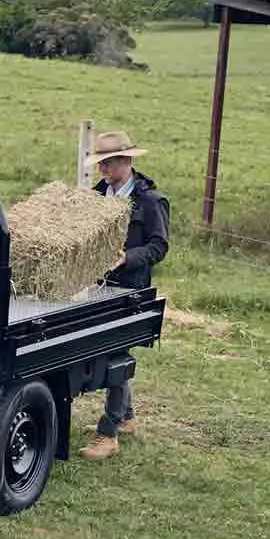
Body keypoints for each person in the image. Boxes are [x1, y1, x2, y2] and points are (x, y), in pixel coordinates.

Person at [79, 130, 169, 461]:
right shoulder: (98, 195)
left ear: (127, 161)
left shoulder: (149, 201)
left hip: (131, 290)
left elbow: (159, 247)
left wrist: (126, 258)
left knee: (114, 353)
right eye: (100, 162)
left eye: (109, 162)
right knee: (111, 347)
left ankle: (109, 433)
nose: (103, 169)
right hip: (100, 285)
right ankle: (127, 417)